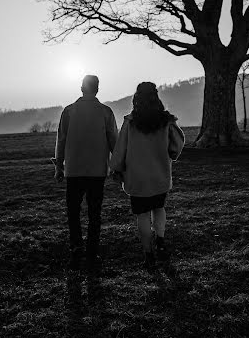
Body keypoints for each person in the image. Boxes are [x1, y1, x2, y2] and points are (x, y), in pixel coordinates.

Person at [110, 82, 184, 271]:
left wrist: (116, 169)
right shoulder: (166, 120)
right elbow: (178, 143)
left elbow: (120, 149)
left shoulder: (130, 121)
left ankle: (148, 254)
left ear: (137, 98)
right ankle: (160, 241)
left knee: (142, 214)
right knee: (159, 208)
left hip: (137, 179)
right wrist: (172, 154)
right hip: (160, 176)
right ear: (156, 96)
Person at [54, 74, 118, 270]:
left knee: (73, 212)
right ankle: (92, 253)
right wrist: (116, 167)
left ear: (81, 88)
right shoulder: (106, 112)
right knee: (94, 213)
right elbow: (114, 141)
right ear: (97, 89)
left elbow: (61, 140)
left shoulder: (69, 111)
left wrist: (59, 166)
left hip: (73, 170)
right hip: (97, 170)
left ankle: (75, 250)